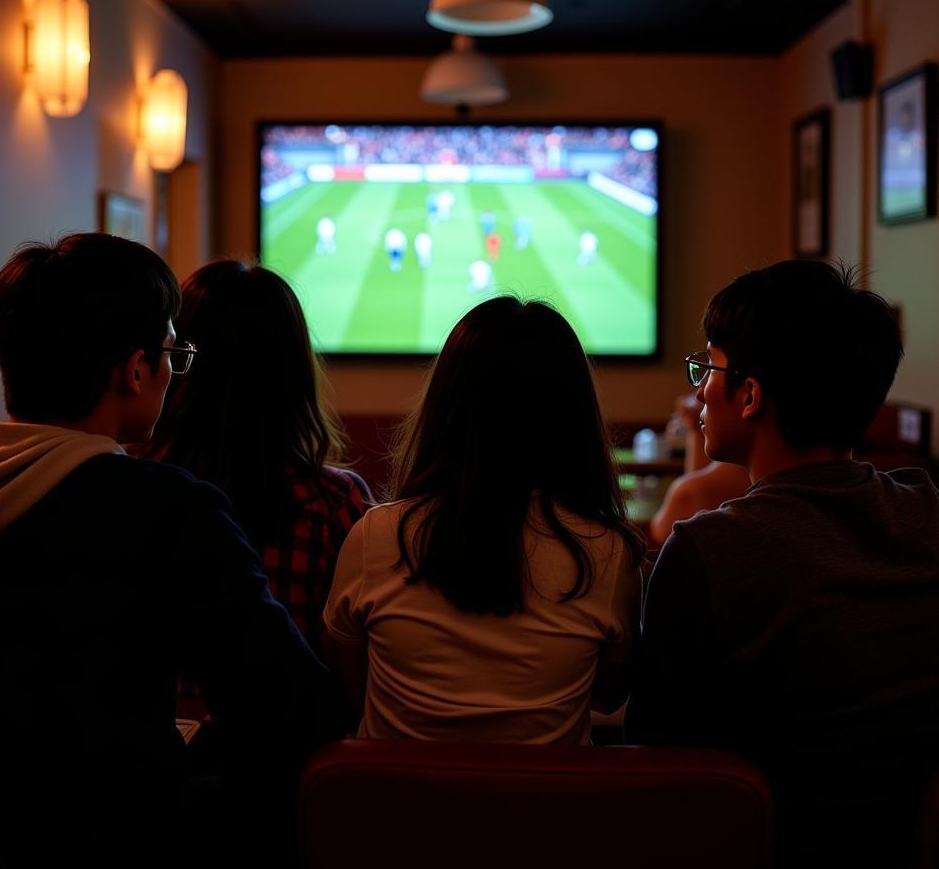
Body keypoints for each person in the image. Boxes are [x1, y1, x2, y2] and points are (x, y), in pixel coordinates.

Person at [0, 234, 336, 869]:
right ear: (135, 371)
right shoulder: (165, 512)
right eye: (172, 353)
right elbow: (292, 709)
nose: (174, 370)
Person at [626, 260, 939, 869]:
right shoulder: (925, 511)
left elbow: (657, 761)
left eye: (708, 369)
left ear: (748, 395)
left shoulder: (706, 549)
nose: (700, 391)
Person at [324, 297, 645, 744]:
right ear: (573, 416)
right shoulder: (608, 554)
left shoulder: (376, 535)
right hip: (549, 812)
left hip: (397, 812)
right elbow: (608, 697)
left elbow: (353, 694)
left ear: (447, 406)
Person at [142, 259, 368, 656]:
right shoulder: (334, 503)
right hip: (291, 718)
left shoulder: (131, 484)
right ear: (294, 368)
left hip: (157, 720)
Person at [648, 392, 749, 544]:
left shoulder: (692, 491)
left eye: (711, 373)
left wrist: (695, 427)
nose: (700, 391)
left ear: (750, 396)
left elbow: (660, 532)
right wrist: (695, 428)